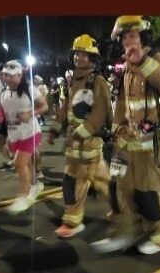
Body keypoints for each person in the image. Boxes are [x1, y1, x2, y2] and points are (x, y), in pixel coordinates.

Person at [90, 16, 160, 255]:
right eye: (124, 37)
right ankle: (126, 232)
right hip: (127, 144)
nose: (127, 40)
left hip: (154, 145)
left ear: (143, 37)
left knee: (151, 191)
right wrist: (118, 129)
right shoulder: (127, 66)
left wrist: (143, 61)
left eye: (132, 35)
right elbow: (122, 104)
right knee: (122, 190)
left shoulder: (156, 59)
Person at [48, 34, 112, 238]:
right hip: (74, 143)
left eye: (83, 54)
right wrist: (55, 129)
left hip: (88, 143)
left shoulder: (98, 81)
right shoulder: (74, 80)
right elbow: (66, 108)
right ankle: (124, 210)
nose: (78, 57)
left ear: (92, 58)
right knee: (102, 180)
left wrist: (82, 132)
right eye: (76, 53)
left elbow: (101, 111)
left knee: (75, 180)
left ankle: (72, 221)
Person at [0, 60, 48, 214]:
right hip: (14, 135)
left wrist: (30, 114)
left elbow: (44, 106)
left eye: (13, 76)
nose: (9, 78)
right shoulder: (2, 92)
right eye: (7, 75)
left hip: (31, 132)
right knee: (26, 165)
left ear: (20, 75)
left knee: (19, 165)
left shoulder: (31, 90)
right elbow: (5, 115)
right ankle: (35, 185)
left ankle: (22, 197)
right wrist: (7, 137)